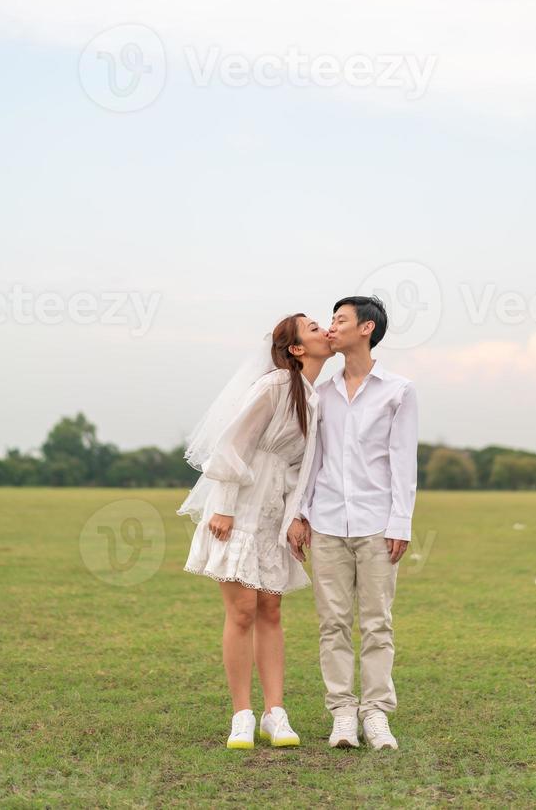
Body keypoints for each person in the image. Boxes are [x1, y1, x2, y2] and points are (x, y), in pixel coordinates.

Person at [177, 314, 332, 750]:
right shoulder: (274, 385)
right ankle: (242, 714)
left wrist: (298, 517)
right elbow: (233, 443)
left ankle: (274, 714)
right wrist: (223, 506)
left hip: (275, 512)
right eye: (314, 326)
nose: (324, 329)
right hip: (240, 504)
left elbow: (303, 467)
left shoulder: (314, 398)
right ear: (296, 348)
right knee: (242, 609)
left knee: (272, 609)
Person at [288, 295, 419, 751]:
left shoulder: (398, 390)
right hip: (325, 522)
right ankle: (342, 713)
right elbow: (312, 459)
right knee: (333, 623)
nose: (330, 328)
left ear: (366, 328)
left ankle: (377, 714)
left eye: (340, 321)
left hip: (378, 525)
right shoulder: (320, 394)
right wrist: (300, 513)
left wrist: (400, 521)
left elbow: (404, 461)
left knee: (378, 622)